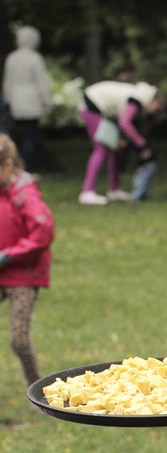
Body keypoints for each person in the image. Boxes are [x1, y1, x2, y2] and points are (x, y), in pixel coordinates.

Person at [0, 133, 54, 387]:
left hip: (22, 275)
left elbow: (43, 234)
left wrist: (9, 255)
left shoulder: (25, 195)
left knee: (19, 340)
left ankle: (37, 387)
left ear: (8, 164)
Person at [78, 81, 163, 205]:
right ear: (155, 100)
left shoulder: (138, 96)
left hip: (104, 111)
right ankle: (87, 192)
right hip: (92, 105)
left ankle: (114, 189)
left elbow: (122, 120)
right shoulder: (138, 100)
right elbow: (125, 123)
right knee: (101, 148)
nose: (155, 112)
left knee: (115, 149)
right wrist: (141, 144)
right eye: (157, 108)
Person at [2, 26, 54, 172]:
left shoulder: (12, 58)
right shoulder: (35, 58)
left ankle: (9, 167)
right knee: (30, 137)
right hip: (31, 101)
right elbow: (42, 83)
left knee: (12, 137)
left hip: (15, 100)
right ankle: (23, 169)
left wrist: (8, 101)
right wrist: (48, 103)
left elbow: (7, 82)